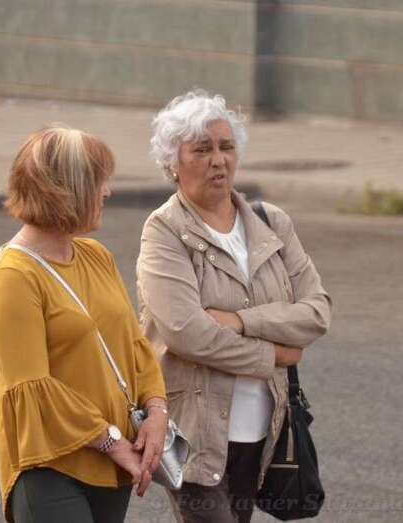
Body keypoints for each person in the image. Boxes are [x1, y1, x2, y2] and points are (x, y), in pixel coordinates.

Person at [135, 89, 332, 523]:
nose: (218, 160)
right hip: (193, 435)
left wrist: (240, 321)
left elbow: (316, 311)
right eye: (201, 150)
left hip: (262, 431)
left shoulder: (270, 221)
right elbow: (187, 333)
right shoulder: (164, 231)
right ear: (172, 162)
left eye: (226, 147)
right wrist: (273, 354)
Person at [0, 125, 168, 523]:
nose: (107, 192)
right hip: (50, 468)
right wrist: (111, 441)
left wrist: (156, 411)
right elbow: (34, 389)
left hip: (113, 464)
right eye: (98, 182)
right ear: (65, 189)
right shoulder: (11, 278)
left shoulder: (96, 256)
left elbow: (134, 346)